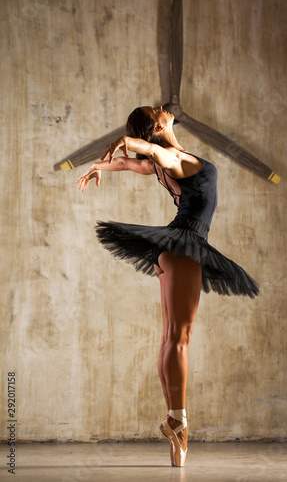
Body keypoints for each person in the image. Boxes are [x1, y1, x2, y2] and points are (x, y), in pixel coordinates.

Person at [76, 105, 259, 467]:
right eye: (157, 110)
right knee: (179, 338)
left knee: (170, 338)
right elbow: (149, 152)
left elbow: (135, 163)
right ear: (158, 125)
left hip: (172, 250)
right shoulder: (171, 156)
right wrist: (124, 142)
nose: (164, 107)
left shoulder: (165, 162)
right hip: (185, 246)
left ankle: (175, 424)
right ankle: (178, 420)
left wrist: (102, 165)